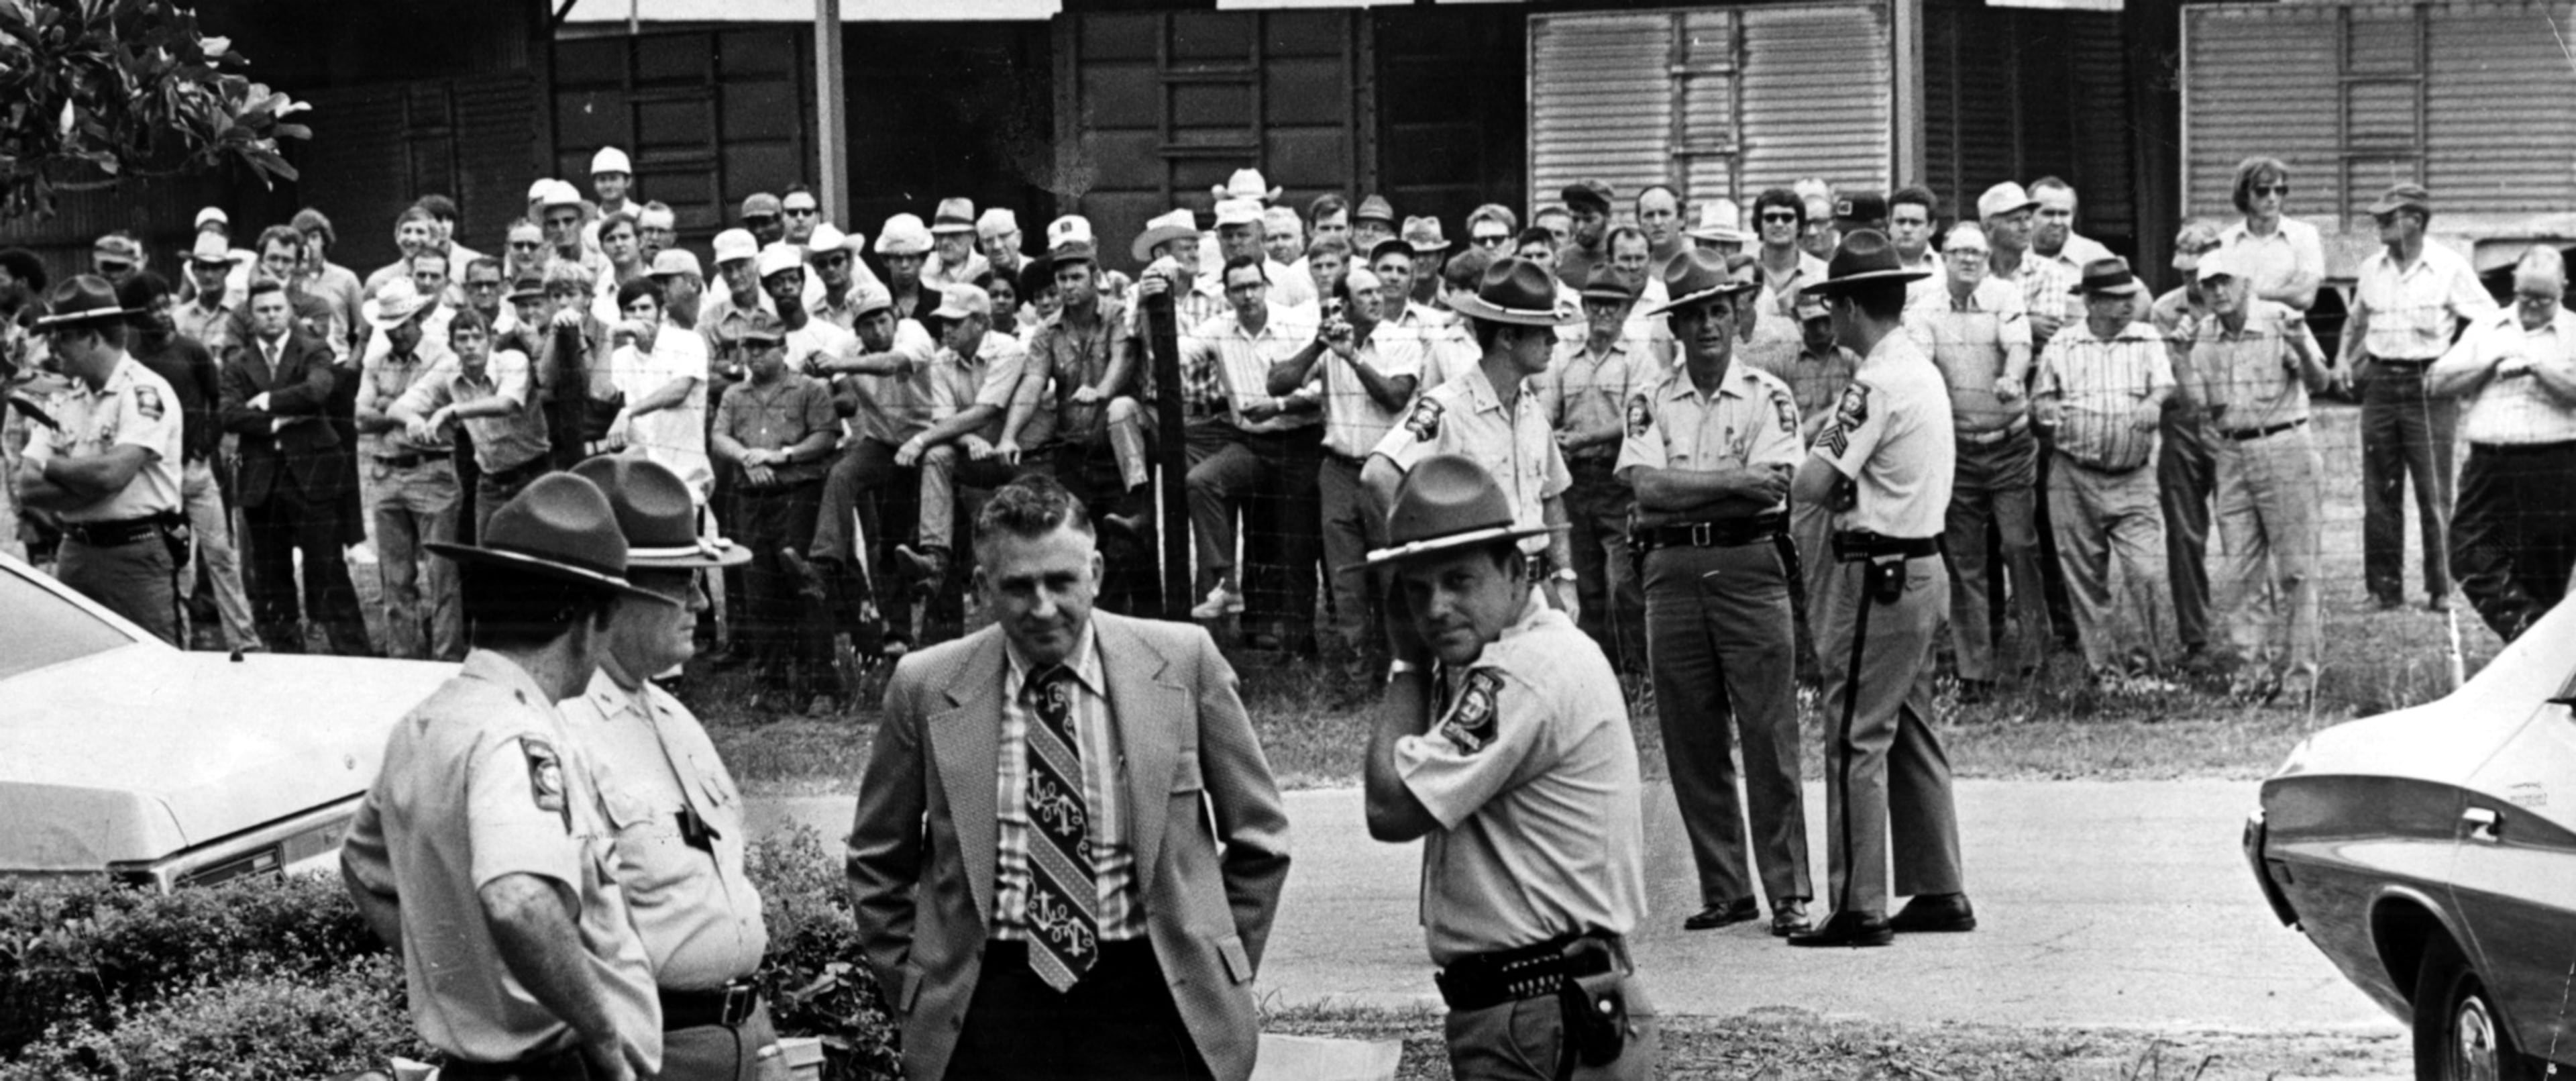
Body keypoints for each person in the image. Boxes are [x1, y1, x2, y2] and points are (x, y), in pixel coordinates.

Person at [844, 473, 1291, 1081]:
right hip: (989, 1003)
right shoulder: (926, 686)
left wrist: (1218, 963)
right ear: (981, 587)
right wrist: (919, 985)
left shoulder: (1184, 662)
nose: (1043, 606)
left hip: (1150, 992)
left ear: (1097, 573)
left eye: (1061, 581)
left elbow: (1260, 835)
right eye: (1018, 586)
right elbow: (877, 859)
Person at [338, 472, 665, 1081]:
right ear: (585, 621)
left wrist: (464, 977)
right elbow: (517, 899)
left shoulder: (426, 721)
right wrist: (604, 1038)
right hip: (557, 1066)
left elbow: (362, 867)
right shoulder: (517, 736)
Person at [1360, 454, 1657, 1080]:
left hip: (1540, 1015)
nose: (1436, 607)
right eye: (1417, 590)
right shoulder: (1542, 650)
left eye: (1459, 580)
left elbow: (1390, 808)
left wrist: (1406, 663)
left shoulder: (1519, 670)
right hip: (1554, 1005)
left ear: (1516, 571)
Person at [552, 456, 786, 1080]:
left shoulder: (669, 714)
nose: (701, 604)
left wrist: (759, 1037)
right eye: (680, 583)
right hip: (647, 1049)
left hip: (742, 1035)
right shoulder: (562, 729)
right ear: (611, 590)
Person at [1621, 250, 1813, 936]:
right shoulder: (1650, 399)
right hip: (1672, 572)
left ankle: (1787, 890)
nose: (1705, 327)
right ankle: (1726, 886)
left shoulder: (1769, 395)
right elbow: (1646, 490)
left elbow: (1776, 485)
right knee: (1690, 734)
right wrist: (1732, 480)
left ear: (1738, 318)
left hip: (1749, 564)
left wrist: (1688, 488)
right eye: (1692, 315)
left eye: (1716, 312)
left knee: (1768, 731)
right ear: (1675, 327)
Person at [1787, 229, 1970, 948]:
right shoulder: (1918, 368)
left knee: (1855, 732)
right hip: (1920, 561)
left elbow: (1811, 482)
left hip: (1878, 569)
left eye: (1834, 303)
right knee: (1911, 730)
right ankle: (1938, 887)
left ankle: (1858, 904)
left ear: (1853, 307)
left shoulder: (1876, 382)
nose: (1830, 317)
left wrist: (1834, 481)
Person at [1364, 257, 1580, 623]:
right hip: (1481, 589)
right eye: (1541, 330)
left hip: (1535, 583)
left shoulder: (1531, 410)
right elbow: (1378, 474)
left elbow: (1552, 496)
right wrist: (1437, 556)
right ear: (1508, 337)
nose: (1554, 340)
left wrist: (1565, 577)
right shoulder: (1447, 407)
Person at [1902, 221, 2044, 699]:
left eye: (1977, 254)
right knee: (1964, 561)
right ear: (1943, 256)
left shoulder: (2004, 294)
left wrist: (2011, 377)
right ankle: (1975, 671)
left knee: (2019, 547)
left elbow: (2019, 344)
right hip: (1959, 451)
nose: (1969, 260)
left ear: (1987, 259)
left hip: (2009, 444)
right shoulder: (1923, 308)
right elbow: (1921, 364)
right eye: (1959, 252)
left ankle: (2033, 661)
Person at [2184, 248, 2332, 703]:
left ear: (2246, 282)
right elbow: (2197, 404)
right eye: (2209, 284)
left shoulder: (2281, 319)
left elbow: (2321, 381)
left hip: (2285, 443)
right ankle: (2252, 673)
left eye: (2226, 281)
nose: (2219, 291)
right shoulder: (2204, 335)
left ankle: (2301, 677)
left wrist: (2303, 343)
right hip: (2231, 453)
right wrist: (2178, 356)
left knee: (2297, 569)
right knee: (2241, 569)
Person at [2344, 181, 2496, 613]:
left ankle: (2442, 588)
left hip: (2428, 389)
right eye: (2378, 218)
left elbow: (2488, 320)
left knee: (2434, 492)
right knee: (2379, 492)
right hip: (2379, 384)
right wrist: (2342, 359)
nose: (2380, 225)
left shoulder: (2448, 267)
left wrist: (2455, 368)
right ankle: (2383, 589)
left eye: (2390, 218)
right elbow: (2355, 320)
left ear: (2416, 220)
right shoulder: (2371, 268)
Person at [1261, 264, 1417, 680]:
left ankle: (1400, 668)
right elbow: (1278, 384)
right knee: (1346, 576)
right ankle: (1356, 672)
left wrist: (1353, 358)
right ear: (1343, 305)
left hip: (1388, 472)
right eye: (1364, 294)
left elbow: (1395, 398)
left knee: (1391, 570)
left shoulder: (1401, 339)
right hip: (1339, 470)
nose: (1376, 299)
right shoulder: (1330, 344)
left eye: (1379, 292)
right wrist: (1319, 344)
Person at [15, 276, 186, 643]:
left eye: (63, 337)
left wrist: (52, 467)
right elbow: (27, 485)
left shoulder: (144, 392)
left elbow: (112, 474)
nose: (52, 349)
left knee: (156, 671)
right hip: (76, 552)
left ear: (93, 338)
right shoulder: (62, 398)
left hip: (136, 555)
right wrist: (87, 483)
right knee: (80, 673)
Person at [1003, 218, 1159, 616]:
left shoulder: (1117, 315)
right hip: (1073, 450)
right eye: (1062, 280)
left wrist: (1102, 391)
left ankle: (1151, 626)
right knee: (1084, 544)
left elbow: (1123, 361)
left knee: (1132, 544)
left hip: (1116, 448)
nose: (1069, 286)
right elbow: (1032, 383)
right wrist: (1009, 435)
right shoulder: (1046, 332)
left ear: (1095, 277)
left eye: (1076, 277)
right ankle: (1095, 625)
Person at [2033, 258, 2176, 687]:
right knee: (2084, 578)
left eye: (2129, 296)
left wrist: (2154, 402)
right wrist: (2052, 414)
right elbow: (2041, 401)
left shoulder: (2147, 337)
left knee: (2146, 572)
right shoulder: (2063, 345)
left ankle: (2144, 669)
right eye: (2115, 299)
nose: (2126, 306)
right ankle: (2106, 673)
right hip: (2074, 475)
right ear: (2091, 302)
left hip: (2133, 474)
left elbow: (2165, 385)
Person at [2429, 247, 2576, 644]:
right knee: (2470, 553)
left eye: (2544, 299)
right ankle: (2534, 638)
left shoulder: (2574, 332)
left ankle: (2541, 670)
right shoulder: (2486, 328)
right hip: (2490, 468)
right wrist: (2489, 367)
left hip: (2553, 466)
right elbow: (2437, 383)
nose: (2532, 306)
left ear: (2563, 288)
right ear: (2513, 282)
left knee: (2543, 570)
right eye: (2525, 295)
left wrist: (2537, 369)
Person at [1177, 256, 1325, 647]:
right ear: (1226, 294)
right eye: (1239, 288)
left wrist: (1280, 406)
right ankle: (1227, 582)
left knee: (1296, 547)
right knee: (1201, 481)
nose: (1248, 295)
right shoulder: (1220, 328)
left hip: (1299, 445)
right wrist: (1155, 304)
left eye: (1254, 286)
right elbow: (1175, 354)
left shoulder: (1295, 325)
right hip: (1252, 446)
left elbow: (1326, 388)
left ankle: (1299, 643)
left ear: (1266, 286)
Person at [222, 278, 370, 655]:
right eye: (262, 311)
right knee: (271, 577)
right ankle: (286, 660)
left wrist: (267, 400)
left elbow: (320, 390)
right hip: (262, 481)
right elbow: (228, 413)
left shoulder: (313, 349)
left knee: (328, 568)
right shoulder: (238, 362)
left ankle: (356, 657)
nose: (271, 316)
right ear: (251, 318)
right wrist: (274, 423)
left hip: (312, 478)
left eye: (277, 308)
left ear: (289, 311)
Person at [889, 283, 1041, 641]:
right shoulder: (942, 359)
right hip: (973, 456)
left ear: (981, 322)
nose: (947, 330)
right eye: (944, 322)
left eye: (956, 322)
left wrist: (923, 438)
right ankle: (934, 557)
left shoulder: (1008, 350)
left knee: (933, 449)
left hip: (1018, 457)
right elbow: (946, 421)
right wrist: (964, 438)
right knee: (939, 455)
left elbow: (989, 409)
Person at [120, 272, 258, 652]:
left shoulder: (192, 350)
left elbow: (218, 402)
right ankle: (178, 644)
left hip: (196, 474)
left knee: (221, 555)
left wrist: (204, 446)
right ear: (134, 318)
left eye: (166, 304)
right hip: (157, 481)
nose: (163, 314)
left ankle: (244, 641)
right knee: (177, 565)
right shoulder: (134, 361)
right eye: (151, 310)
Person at [710, 311, 839, 710]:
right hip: (751, 499)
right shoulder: (735, 395)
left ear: (783, 348)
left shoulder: (809, 389)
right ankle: (772, 684)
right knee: (758, 587)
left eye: (763, 347)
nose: (754, 355)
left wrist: (783, 456)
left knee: (804, 580)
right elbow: (719, 437)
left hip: (798, 494)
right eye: (748, 346)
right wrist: (750, 458)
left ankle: (822, 685)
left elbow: (826, 436)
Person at [1534, 265, 1654, 675]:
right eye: (1597, 303)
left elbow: (1639, 416)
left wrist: (1586, 438)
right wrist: (1555, 443)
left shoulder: (1639, 358)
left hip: (1618, 479)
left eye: (1614, 305)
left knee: (1625, 581)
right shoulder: (1564, 356)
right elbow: (1545, 410)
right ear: (1583, 306)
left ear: (1627, 309)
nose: (1605, 313)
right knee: (1582, 580)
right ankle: (1593, 673)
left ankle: (1636, 671)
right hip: (1573, 479)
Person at [356, 279, 466, 662]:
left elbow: (396, 410)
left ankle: (447, 659)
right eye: (389, 326)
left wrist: (387, 405)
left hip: (430, 471)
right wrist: (399, 411)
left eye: (403, 324)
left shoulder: (443, 358)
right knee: (395, 577)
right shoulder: (375, 360)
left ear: (419, 317)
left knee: (442, 576)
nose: (396, 333)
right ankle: (401, 660)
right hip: (386, 472)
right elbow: (360, 418)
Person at [393, 309, 556, 543]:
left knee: (539, 556)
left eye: (477, 338)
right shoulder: (448, 371)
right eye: (462, 339)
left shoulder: (512, 360)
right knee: (488, 563)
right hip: (490, 483)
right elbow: (395, 408)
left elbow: (505, 404)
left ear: (491, 341)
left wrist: (450, 411)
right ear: (451, 345)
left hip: (533, 475)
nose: (470, 346)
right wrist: (413, 420)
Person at [2152, 221, 2228, 667]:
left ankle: (2249, 635)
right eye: (2183, 270)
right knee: (2185, 534)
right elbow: (2167, 376)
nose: (2188, 279)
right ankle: (2195, 638)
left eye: (2196, 270)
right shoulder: (2166, 309)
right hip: (2183, 425)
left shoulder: (2239, 301)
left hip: (2231, 420)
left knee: (2243, 530)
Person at [2218, 157, 2324, 313]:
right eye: (2262, 191)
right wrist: (2285, 293)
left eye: (2280, 190)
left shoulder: (2305, 235)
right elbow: (2221, 297)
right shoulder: (2226, 241)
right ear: (2244, 193)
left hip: (2286, 332)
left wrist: (2247, 293)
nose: (2272, 198)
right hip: (2240, 333)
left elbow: (2305, 298)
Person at [877, 213, 938, 325]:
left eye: (911, 257)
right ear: (886, 261)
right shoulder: (876, 303)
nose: (904, 265)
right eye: (898, 258)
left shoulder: (938, 303)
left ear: (923, 259)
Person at [1554, 180, 1616, 287]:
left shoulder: (1623, 258)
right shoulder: (1560, 261)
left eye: (1589, 220)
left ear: (1608, 216)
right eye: (1575, 219)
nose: (1580, 227)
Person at [924, 197, 991, 290]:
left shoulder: (987, 269)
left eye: (954, 235)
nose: (945, 242)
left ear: (972, 237)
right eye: (940, 235)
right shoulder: (923, 265)